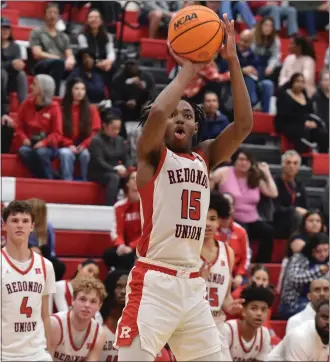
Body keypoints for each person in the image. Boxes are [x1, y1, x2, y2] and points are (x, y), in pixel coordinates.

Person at [114, 14, 253, 362]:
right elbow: (159, 109)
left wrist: (232, 60)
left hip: (193, 286)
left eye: (188, 115)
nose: (179, 118)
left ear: (195, 129)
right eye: (175, 115)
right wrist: (189, 70)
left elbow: (244, 125)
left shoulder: (205, 157)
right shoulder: (151, 156)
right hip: (154, 281)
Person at [1, 200, 56, 361]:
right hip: (5, 354)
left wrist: (50, 351)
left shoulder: (46, 266)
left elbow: (46, 315)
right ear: (4, 226)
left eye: (25, 221)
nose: (20, 225)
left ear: (32, 226)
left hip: (37, 354)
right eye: (14, 220)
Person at [211, 148, 278, 262]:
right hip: (231, 217)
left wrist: (266, 173)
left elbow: (273, 193)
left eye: (247, 160)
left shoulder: (255, 176)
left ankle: (261, 264)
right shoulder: (224, 172)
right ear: (235, 160)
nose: (244, 163)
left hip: (252, 219)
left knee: (268, 231)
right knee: (243, 230)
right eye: (241, 159)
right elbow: (208, 187)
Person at [200, 192, 245, 361]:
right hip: (191, 325)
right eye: (203, 217)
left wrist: (230, 305)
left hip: (217, 324)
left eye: (212, 218)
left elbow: (224, 297)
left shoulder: (228, 252)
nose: (207, 224)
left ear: (219, 221)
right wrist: (198, 280)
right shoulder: (186, 250)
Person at [14, 74, 62, 179]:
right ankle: (49, 175)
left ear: (43, 88)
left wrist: (44, 142)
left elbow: (57, 133)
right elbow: (18, 126)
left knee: (41, 152)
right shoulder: (26, 104)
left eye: (34, 84)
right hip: (30, 142)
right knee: (23, 151)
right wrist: (24, 138)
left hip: (48, 146)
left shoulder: (54, 107)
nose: (31, 86)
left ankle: (49, 181)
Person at [50, 276, 107, 361]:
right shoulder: (55, 324)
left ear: (99, 306)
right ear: (73, 300)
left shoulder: (99, 333)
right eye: (83, 299)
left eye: (93, 301)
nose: (87, 305)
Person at [59, 77, 101, 181]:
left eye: (82, 89)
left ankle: (85, 181)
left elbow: (95, 132)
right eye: (76, 89)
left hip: (85, 145)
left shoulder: (91, 109)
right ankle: (67, 182)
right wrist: (68, 144)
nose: (79, 92)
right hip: (65, 144)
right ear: (70, 90)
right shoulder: (61, 108)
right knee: (65, 153)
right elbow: (57, 132)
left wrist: (84, 144)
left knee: (86, 154)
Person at [224, 285, 274, 361]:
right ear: (243, 311)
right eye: (254, 308)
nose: (259, 313)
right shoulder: (228, 330)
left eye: (263, 310)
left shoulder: (264, 333)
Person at [103, 171, 140, 271]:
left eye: (139, 177)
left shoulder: (149, 206)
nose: (136, 180)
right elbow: (116, 231)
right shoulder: (119, 206)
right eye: (132, 178)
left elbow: (148, 233)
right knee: (108, 255)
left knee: (127, 257)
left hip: (142, 246)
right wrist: (121, 245)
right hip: (125, 245)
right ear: (127, 183)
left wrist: (131, 247)